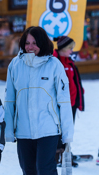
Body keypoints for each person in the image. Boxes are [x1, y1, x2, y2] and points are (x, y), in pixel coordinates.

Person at [4, 26, 74, 175]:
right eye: (27, 43)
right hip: (23, 131)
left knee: (45, 169)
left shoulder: (54, 65)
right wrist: (9, 129)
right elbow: (10, 100)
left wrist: (67, 133)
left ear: (42, 43)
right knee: (28, 170)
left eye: (34, 43)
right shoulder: (15, 65)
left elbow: (64, 101)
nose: (30, 47)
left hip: (48, 129)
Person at [53, 36, 85, 167]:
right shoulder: (55, 62)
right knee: (58, 132)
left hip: (71, 104)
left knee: (68, 132)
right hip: (60, 105)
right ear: (63, 48)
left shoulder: (69, 62)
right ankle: (56, 157)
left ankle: (66, 155)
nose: (72, 51)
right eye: (70, 48)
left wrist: (80, 95)